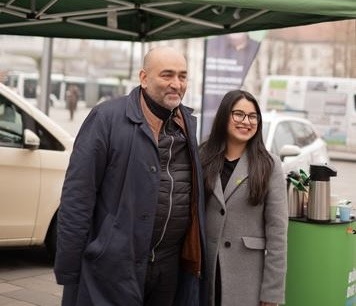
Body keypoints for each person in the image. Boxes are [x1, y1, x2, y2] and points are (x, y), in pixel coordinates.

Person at [54, 46, 207, 306]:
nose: (176, 84)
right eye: (167, 75)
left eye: (182, 76)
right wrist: (70, 271)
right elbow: (77, 197)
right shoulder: (106, 118)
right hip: (114, 267)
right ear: (144, 78)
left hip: (168, 267)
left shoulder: (185, 124)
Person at [199, 90, 288, 306]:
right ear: (224, 117)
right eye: (238, 114)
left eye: (252, 116)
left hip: (247, 278)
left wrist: (272, 292)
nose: (246, 121)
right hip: (205, 272)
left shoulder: (269, 165)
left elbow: (278, 233)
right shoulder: (202, 157)